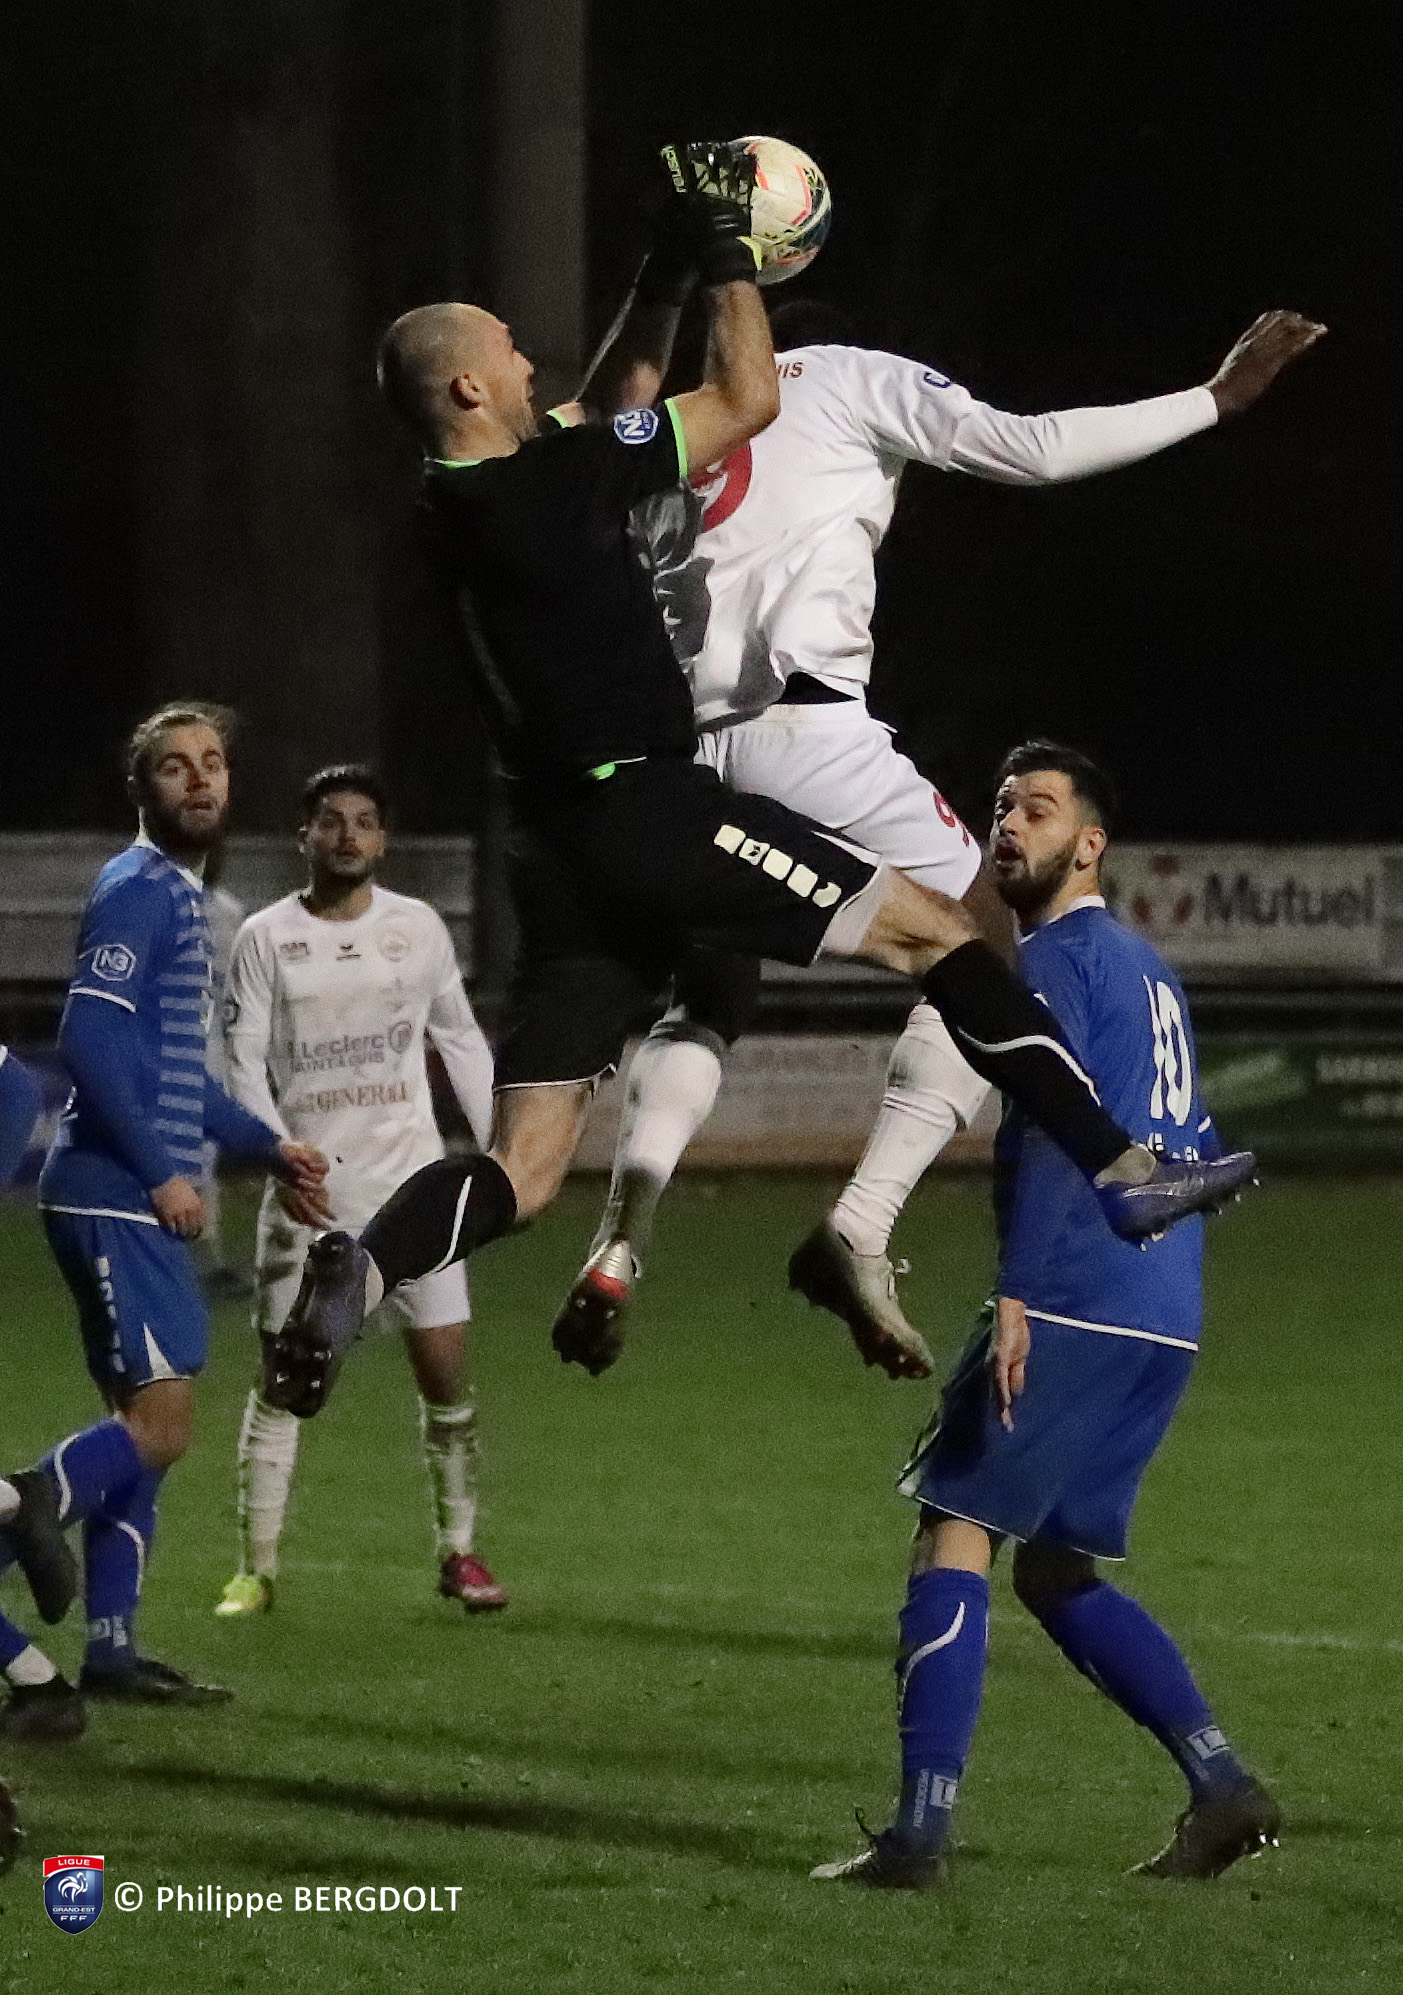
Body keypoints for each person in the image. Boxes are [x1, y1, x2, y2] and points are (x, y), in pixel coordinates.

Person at [272, 144, 1254, 1418]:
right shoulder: (557, 477)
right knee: (943, 935)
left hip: (553, 852)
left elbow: (613, 395)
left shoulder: (459, 493)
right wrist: (726, 251)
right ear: (468, 384)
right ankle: (1118, 1172)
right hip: (649, 808)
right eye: (509, 353)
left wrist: (658, 272)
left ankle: (364, 1261)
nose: (530, 363)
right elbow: (743, 394)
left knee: (523, 1166)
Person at [555, 294, 1326, 1380]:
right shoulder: (838, 375)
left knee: (708, 995)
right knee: (984, 953)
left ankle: (618, 1241)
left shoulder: (675, 425)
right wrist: (1213, 398)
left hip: (672, 756)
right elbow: (1034, 448)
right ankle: (862, 1223)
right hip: (803, 730)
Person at [813, 742, 1279, 1891]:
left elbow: (1045, 1137)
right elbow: (1190, 1146)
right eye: (998, 809)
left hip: (1076, 1289)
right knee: (1054, 1573)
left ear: (1089, 844)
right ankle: (1221, 1786)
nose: (1006, 826)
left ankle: (917, 1834)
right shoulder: (1149, 971)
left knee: (953, 1532)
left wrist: (1017, 1291)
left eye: (1035, 809)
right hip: (1162, 1307)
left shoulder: (1054, 962)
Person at [0, 704, 329, 1739]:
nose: (200, 779)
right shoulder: (138, 890)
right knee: (161, 1425)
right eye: (175, 766)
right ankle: (19, 1505)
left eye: (213, 763)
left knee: (144, 1436)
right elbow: (88, 1042)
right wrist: (160, 1174)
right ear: (140, 789)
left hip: (127, 1193)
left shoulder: (181, 897)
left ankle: (110, 1649)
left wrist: (267, 1146)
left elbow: (175, 1077)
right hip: (114, 1193)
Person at [212, 765, 501, 1618]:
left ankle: (460, 1551)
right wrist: (280, 1156)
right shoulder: (264, 937)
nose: (347, 835)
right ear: (304, 835)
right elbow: (240, 1062)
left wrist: (503, 1157)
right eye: (331, 820)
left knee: (445, 1376)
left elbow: (461, 1038)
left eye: (364, 821)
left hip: (414, 1192)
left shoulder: (417, 928)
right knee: (285, 1379)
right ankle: (255, 1569)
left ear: (383, 838)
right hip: (311, 1196)